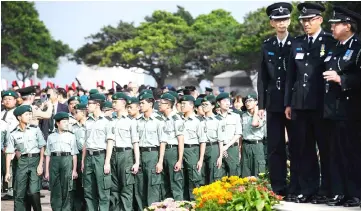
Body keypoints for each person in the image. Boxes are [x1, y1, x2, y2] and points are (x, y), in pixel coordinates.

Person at [284, 2, 336, 203]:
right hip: (300, 104)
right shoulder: (297, 43)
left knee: (325, 148)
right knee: (304, 149)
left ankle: (327, 189)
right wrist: (288, 103)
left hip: (321, 104)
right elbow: (291, 76)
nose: (306, 24)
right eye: (303, 20)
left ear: (320, 20)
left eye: (310, 20)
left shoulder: (329, 41)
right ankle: (308, 189)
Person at [323, 6, 361, 207]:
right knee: (334, 153)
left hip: (351, 109)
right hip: (332, 110)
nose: (332, 27)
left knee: (352, 152)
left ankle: (355, 193)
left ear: (348, 25)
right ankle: (338, 192)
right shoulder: (334, 47)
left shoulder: (358, 46)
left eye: (336, 24)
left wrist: (341, 79)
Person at [258, 2, 294, 200]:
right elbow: (262, 77)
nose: (281, 23)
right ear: (272, 23)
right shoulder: (267, 45)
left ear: (289, 21)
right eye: (277, 20)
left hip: (292, 103)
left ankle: (297, 185)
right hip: (272, 103)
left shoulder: (296, 43)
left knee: (297, 145)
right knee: (275, 146)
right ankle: (278, 186)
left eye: (285, 19)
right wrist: (261, 105)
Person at [5, 105, 46, 211]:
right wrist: (7, 172)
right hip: (22, 162)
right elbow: (9, 152)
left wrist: (41, 164)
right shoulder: (13, 133)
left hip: (35, 160)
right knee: (19, 192)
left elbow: (42, 147)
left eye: (30, 114)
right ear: (19, 117)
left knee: (33, 191)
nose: (29, 116)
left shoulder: (35, 129)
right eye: (26, 114)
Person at [134, 93, 167, 210]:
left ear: (151, 104)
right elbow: (135, 141)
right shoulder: (138, 120)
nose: (140, 105)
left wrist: (160, 161)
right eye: (140, 103)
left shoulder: (158, 120)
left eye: (143, 103)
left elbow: (163, 142)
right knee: (139, 186)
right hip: (139, 154)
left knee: (152, 186)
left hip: (153, 154)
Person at [107, 92, 139, 211]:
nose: (113, 104)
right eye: (113, 102)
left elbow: (135, 143)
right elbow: (110, 142)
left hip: (126, 155)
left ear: (123, 103)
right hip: (114, 155)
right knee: (114, 189)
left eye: (116, 102)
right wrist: (107, 161)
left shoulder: (131, 121)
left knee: (126, 188)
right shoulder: (112, 121)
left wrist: (137, 162)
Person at [81, 93, 112, 211]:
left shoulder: (107, 121)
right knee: (88, 191)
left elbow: (110, 142)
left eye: (90, 104)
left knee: (103, 191)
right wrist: (83, 160)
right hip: (89, 156)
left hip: (101, 156)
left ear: (97, 105)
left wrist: (107, 162)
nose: (87, 106)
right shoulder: (88, 121)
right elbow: (85, 142)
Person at [44, 112, 78, 211]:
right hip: (54, 160)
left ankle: (66, 209)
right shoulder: (51, 136)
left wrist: (74, 170)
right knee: (55, 187)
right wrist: (47, 171)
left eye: (67, 122)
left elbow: (74, 154)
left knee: (67, 187)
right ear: (57, 123)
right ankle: (56, 208)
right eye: (64, 122)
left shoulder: (71, 136)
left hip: (67, 160)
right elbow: (48, 155)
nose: (67, 124)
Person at [179, 95, 206, 200]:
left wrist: (200, 159)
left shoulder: (197, 121)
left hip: (192, 150)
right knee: (181, 178)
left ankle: (194, 203)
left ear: (191, 106)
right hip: (180, 150)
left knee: (193, 178)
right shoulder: (178, 119)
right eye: (181, 104)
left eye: (184, 104)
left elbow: (202, 141)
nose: (182, 106)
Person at [158, 93, 185, 201]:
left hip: (173, 151)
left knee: (175, 182)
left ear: (168, 105)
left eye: (161, 103)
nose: (159, 105)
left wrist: (179, 160)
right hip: (164, 151)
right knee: (165, 183)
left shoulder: (176, 119)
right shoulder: (162, 118)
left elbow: (181, 140)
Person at [240, 94, 266, 177]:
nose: (247, 103)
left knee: (258, 172)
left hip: (257, 145)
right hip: (245, 145)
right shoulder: (243, 116)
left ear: (256, 102)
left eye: (250, 101)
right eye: (246, 101)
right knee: (245, 171)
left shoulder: (262, 115)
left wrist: (256, 111)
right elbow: (240, 134)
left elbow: (254, 123)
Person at [216, 92, 242, 177]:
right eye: (224, 101)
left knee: (233, 174)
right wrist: (221, 150)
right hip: (218, 149)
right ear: (218, 103)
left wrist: (226, 147)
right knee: (220, 176)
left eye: (228, 100)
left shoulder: (235, 116)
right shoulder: (215, 118)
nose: (227, 103)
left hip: (231, 148)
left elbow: (238, 133)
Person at [201, 95, 224, 184]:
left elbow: (220, 140)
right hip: (200, 148)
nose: (204, 107)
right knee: (202, 173)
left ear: (213, 106)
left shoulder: (218, 120)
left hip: (213, 147)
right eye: (202, 105)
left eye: (206, 105)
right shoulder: (199, 119)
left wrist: (220, 156)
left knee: (213, 173)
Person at [1, 90, 19, 200]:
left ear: (15, 101)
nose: (7, 101)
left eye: (10, 99)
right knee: (6, 167)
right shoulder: (1, 113)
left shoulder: (18, 112)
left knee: (14, 167)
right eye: (5, 99)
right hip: (2, 144)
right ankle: (8, 189)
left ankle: (14, 190)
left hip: (14, 144)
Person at [72, 103, 88, 211]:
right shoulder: (73, 127)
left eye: (76, 112)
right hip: (76, 156)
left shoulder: (89, 125)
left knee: (87, 185)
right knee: (77, 185)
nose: (74, 115)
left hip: (88, 156)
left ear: (83, 112)